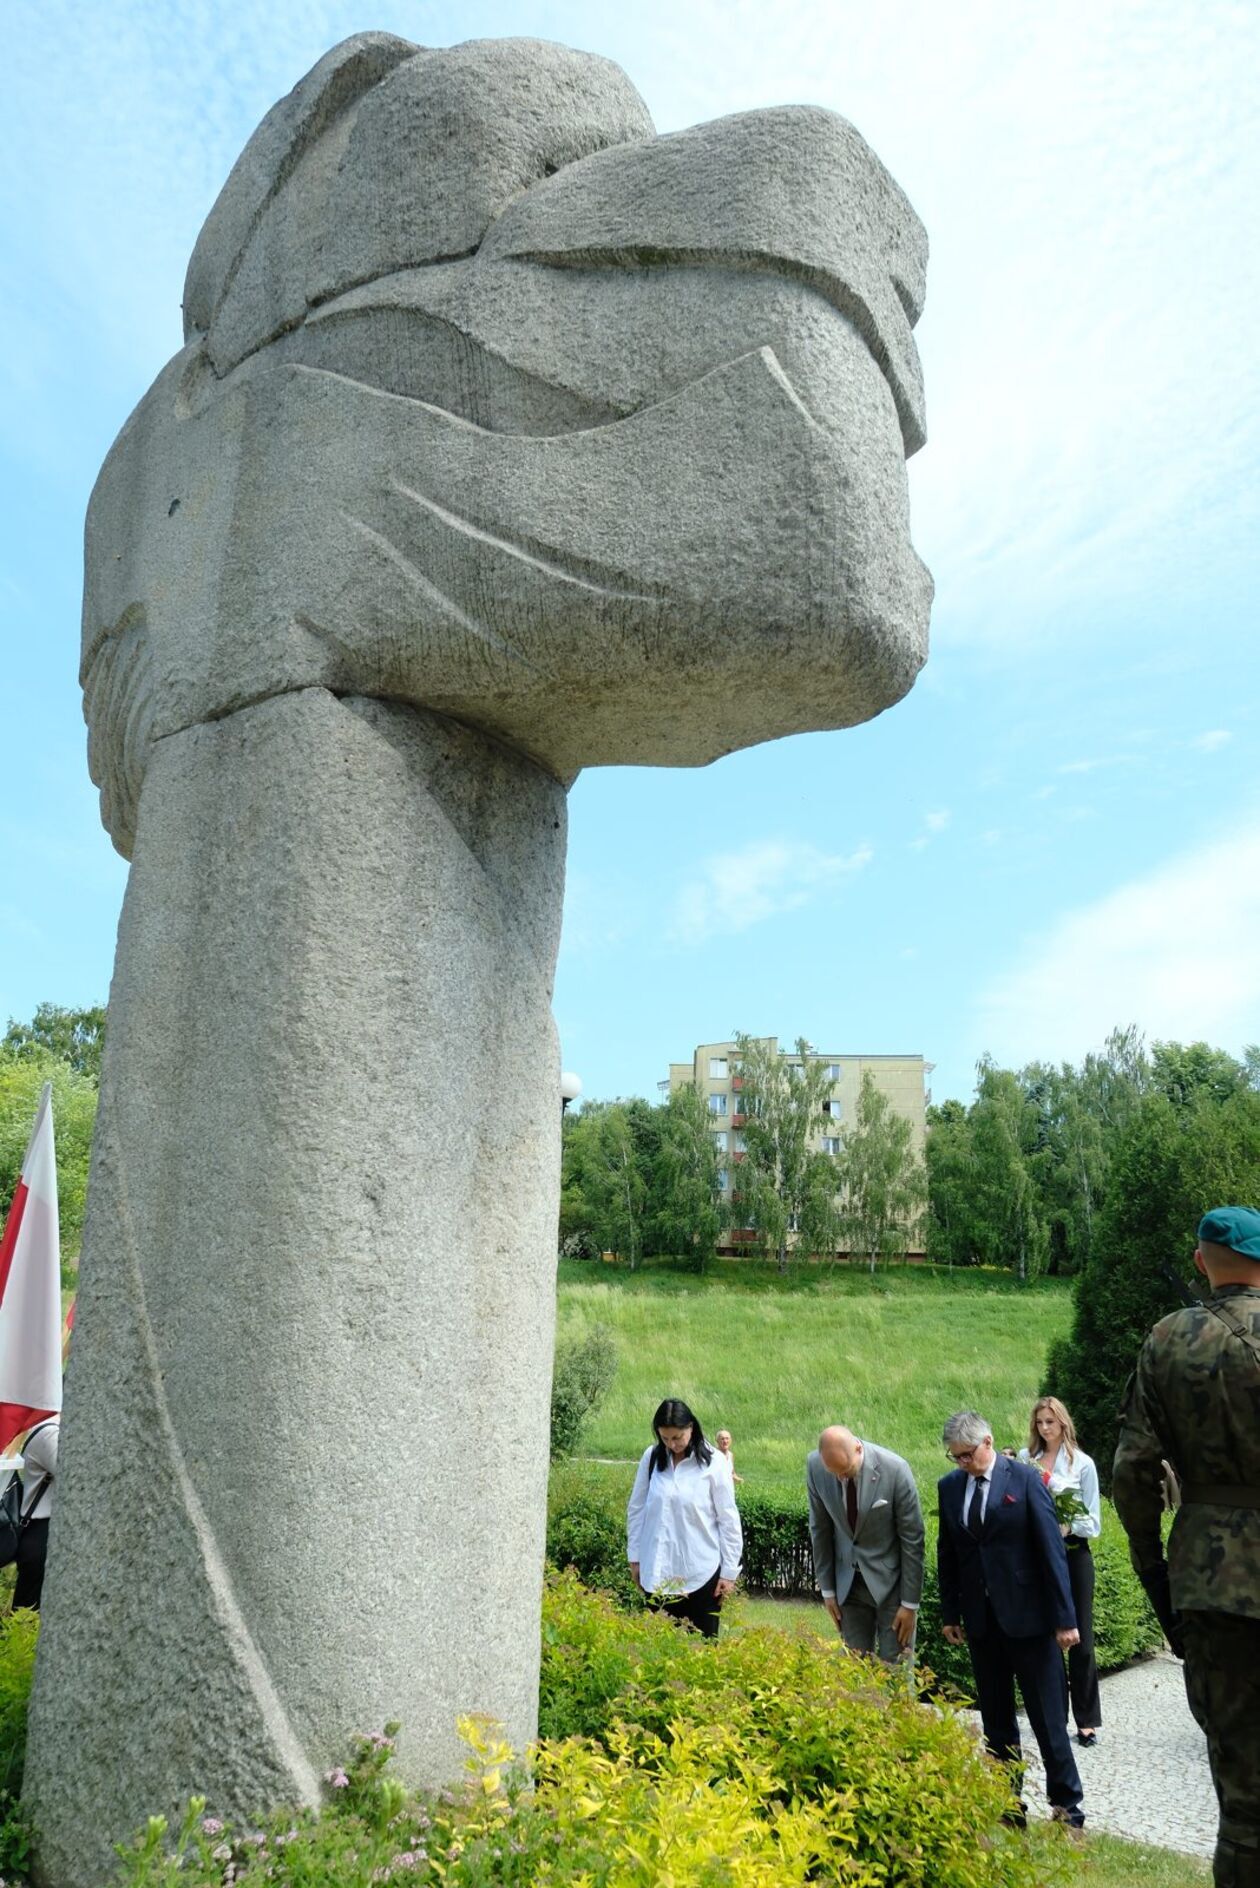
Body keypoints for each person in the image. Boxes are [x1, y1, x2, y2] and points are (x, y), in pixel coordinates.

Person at [1112, 1205, 1260, 1888]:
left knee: (1244, 1802)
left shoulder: (1168, 1340)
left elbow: (1132, 1474)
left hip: (1212, 1586)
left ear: (1202, 1261)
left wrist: (1157, 1582)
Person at [937, 1410, 1085, 1832]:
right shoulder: (949, 1488)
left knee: (1048, 1721)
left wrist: (1064, 1619)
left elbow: (1051, 1553)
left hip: (1031, 1622)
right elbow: (948, 1554)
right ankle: (1007, 1804)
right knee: (996, 1723)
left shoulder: (1023, 1480)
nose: (962, 1464)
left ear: (987, 1442)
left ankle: (1068, 1809)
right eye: (955, 1457)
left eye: (966, 1455)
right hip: (982, 1624)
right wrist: (952, 1612)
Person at [1019, 1396, 1103, 1746]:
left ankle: (1087, 1720)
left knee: (1080, 1636)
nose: (1045, 1428)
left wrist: (1065, 1525)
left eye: (1050, 1422)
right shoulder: (1027, 1460)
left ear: (1063, 1423)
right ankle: (1055, 1716)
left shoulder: (1082, 1464)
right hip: (1039, 1555)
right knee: (1046, 1638)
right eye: (1040, 1422)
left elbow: (1094, 1522)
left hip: (1072, 1553)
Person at [805, 1424, 923, 1666]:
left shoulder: (896, 1469)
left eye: (845, 1471)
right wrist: (827, 1590)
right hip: (848, 1586)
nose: (840, 1478)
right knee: (853, 1669)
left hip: (892, 1587)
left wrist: (910, 1604)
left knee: (896, 1670)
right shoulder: (815, 1466)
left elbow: (912, 1539)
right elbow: (820, 1529)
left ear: (858, 1448)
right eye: (834, 1472)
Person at [626, 1398, 742, 1638]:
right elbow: (636, 1509)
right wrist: (635, 1558)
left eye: (677, 1437)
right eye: (665, 1438)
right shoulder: (652, 1458)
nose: (672, 1444)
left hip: (701, 1574)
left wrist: (729, 1573)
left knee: (703, 1656)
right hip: (657, 1573)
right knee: (657, 1654)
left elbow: (728, 1519)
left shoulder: (714, 1462)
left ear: (691, 1427)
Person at [13, 1417, 58, 1611]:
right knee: (27, 1612)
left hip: (43, 1530)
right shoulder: (50, 1433)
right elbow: (77, 1475)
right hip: (40, 1532)